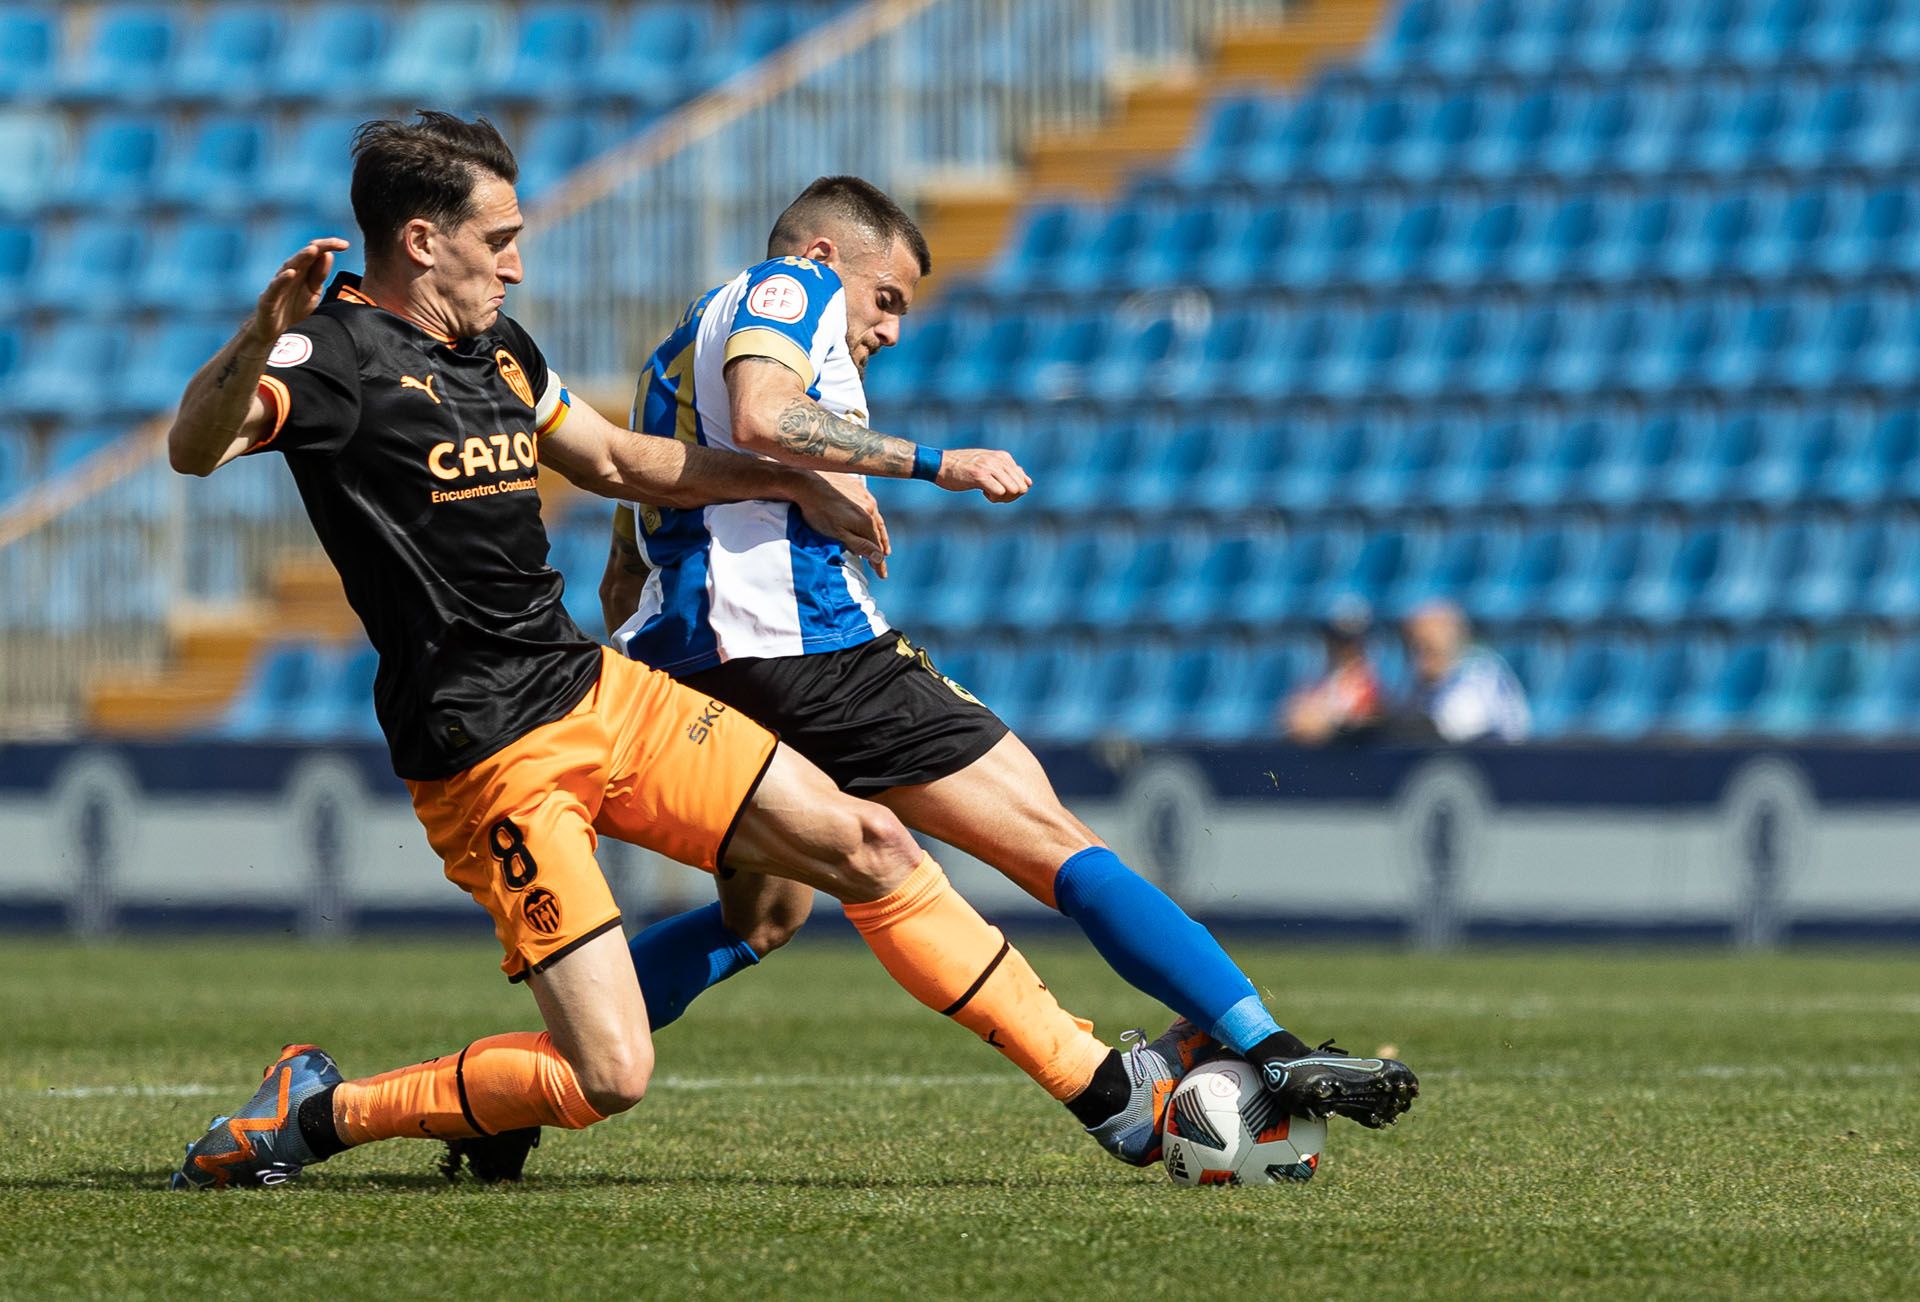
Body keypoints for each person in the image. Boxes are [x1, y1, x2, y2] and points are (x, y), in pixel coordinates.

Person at [164, 114, 1180, 1190]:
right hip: (487, 751)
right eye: (497, 237)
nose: (516, 261)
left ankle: (1111, 1096)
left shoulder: (498, 349)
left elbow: (617, 459)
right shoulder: (327, 355)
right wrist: (257, 333)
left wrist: (785, 477)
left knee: (871, 846)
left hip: (595, 689)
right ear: (421, 241)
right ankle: (320, 1112)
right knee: (608, 1076)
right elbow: (195, 448)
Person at [589, 175, 1418, 1167]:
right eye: (886, 298)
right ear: (821, 257)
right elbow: (769, 415)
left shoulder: (668, 360)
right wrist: (939, 461)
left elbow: (622, 565)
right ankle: (1264, 1044)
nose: (892, 329)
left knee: (763, 912)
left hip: (687, 663)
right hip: (800, 643)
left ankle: (519, 1086)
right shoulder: (786, 287)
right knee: (1048, 836)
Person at [1402, 600, 1531, 743]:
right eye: (1413, 646)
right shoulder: (1424, 681)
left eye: (1427, 646)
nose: (1419, 656)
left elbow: (1453, 728)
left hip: (1497, 757)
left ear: (1453, 636)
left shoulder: (1480, 673)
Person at [1281, 599, 1385, 745]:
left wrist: (1327, 723)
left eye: (1349, 641)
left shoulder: (1368, 679)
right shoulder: (1323, 676)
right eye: (1336, 639)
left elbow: (1367, 718)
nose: (1341, 646)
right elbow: (1294, 717)